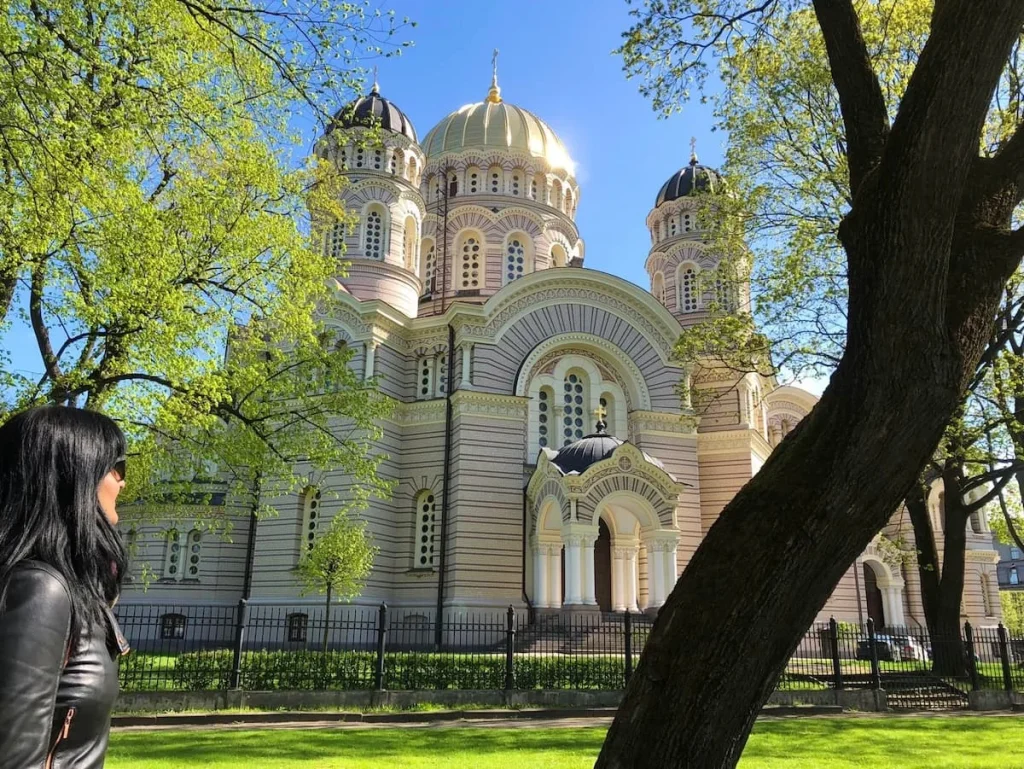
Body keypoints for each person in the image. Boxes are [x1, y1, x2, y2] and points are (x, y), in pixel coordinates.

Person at [0, 406, 130, 768]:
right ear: (73, 475)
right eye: (116, 466)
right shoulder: (39, 587)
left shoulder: (68, 589)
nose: (122, 481)